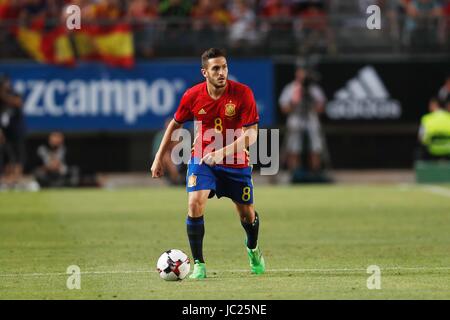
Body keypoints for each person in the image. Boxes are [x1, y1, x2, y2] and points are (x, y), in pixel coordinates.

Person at [151, 48, 265, 279]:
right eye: (216, 68)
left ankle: (253, 249)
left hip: (235, 162)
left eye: (224, 67)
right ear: (205, 72)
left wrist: (223, 152)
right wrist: (158, 157)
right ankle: (199, 265)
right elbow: (174, 126)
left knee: (246, 215)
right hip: (202, 160)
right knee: (194, 203)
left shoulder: (243, 93)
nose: (222, 72)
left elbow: (252, 134)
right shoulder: (192, 96)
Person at [278, 64, 326, 174]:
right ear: (296, 74)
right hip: (295, 117)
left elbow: (321, 108)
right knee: (294, 147)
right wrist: (294, 102)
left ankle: (316, 173)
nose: (302, 76)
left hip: (311, 117)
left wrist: (313, 102)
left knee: (316, 146)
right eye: (300, 73)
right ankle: (294, 174)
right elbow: (284, 108)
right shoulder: (290, 88)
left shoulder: (313, 89)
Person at [0, 74, 26, 187]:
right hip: (5, 131)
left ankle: (16, 179)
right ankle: (7, 179)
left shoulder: (15, 93)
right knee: (7, 155)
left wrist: (3, 95)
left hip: (17, 130)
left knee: (19, 154)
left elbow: (18, 102)